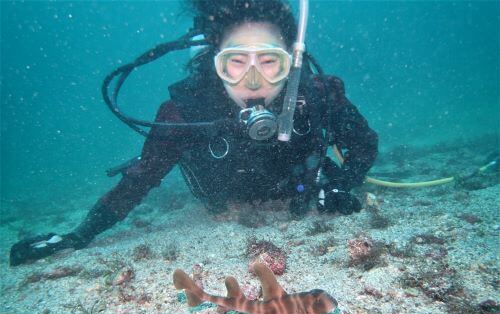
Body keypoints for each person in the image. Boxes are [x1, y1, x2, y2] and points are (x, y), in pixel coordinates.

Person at [10, 0, 378, 266]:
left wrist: (345, 181)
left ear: (291, 62)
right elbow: (139, 180)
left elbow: (364, 145)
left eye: (269, 62)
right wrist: (79, 235)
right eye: (235, 62)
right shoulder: (183, 113)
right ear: (215, 62)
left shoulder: (318, 95)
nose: (253, 81)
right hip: (223, 201)